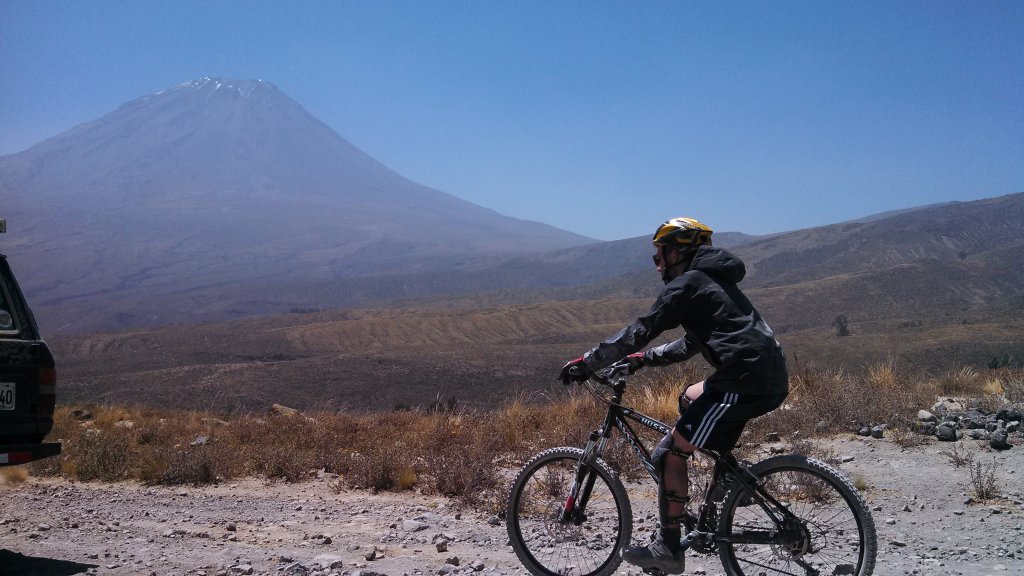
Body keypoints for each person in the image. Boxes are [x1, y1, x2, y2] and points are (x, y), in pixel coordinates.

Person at [559, 217, 789, 574]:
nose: (658, 265)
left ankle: (667, 546)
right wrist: (640, 361)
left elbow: (642, 329)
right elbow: (689, 344)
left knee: (669, 452)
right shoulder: (712, 284)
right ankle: (727, 478)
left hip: (745, 379)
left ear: (678, 252)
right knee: (690, 397)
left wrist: (588, 362)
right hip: (761, 374)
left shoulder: (687, 285)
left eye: (659, 256)